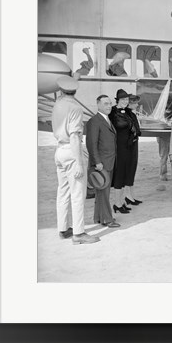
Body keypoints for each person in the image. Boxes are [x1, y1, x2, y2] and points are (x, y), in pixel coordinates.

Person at [51, 76, 100, 244]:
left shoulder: (58, 104)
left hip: (59, 150)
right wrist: (79, 163)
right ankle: (79, 234)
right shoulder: (75, 108)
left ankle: (63, 229)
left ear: (61, 90)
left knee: (62, 192)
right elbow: (74, 136)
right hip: (72, 151)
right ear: (75, 90)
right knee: (78, 193)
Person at [86, 95, 120, 228]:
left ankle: (99, 217)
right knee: (104, 192)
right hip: (102, 163)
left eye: (110, 103)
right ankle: (107, 219)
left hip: (108, 161)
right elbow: (91, 144)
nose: (109, 106)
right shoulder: (95, 121)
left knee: (101, 192)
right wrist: (97, 162)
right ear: (98, 104)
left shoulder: (106, 119)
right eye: (105, 103)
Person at [109, 89, 142, 213]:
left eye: (127, 100)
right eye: (123, 100)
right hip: (120, 146)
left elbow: (136, 127)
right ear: (118, 100)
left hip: (131, 145)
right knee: (120, 173)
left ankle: (126, 198)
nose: (125, 102)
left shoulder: (129, 112)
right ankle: (117, 203)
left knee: (130, 169)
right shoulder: (112, 112)